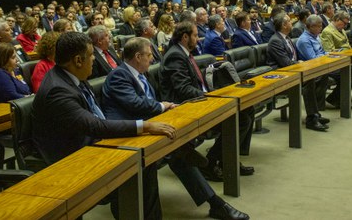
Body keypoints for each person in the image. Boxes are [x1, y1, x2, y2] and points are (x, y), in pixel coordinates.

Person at [31, 31, 175, 220]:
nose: (94, 59)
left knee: (144, 159)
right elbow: (95, 126)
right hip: (71, 155)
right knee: (137, 160)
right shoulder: (58, 90)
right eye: (91, 55)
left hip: (89, 140)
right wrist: (145, 126)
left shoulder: (72, 78)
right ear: (77, 60)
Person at [101, 37, 249, 220]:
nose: (152, 59)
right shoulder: (119, 75)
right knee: (178, 155)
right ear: (138, 56)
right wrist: (163, 106)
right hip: (127, 134)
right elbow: (136, 104)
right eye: (149, 55)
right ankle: (214, 198)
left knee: (178, 153)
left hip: (147, 127)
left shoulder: (140, 74)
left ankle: (215, 201)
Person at [160, 21, 255, 182]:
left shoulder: (183, 52)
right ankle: (211, 163)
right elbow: (183, 90)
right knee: (239, 118)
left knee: (246, 109)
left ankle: (227, 160)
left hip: (198, 100)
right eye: (196, 35)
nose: (199, 39)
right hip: (184, 107)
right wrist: (211, 97)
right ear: (185, 37)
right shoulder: (175, 55)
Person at [295, 15, 332, 132]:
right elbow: (313, 59)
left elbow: (321, 52)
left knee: (326, 75)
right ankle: (312, 118)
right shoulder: (304, 40)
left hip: (316, 70)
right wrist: (326, 55)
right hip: (307, 72)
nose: (321, 28)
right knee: (310, 83)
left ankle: (316, 114)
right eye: (319, 26)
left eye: (321, 25)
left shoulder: (316, 36)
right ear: (310, 27)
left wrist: (328, 53)